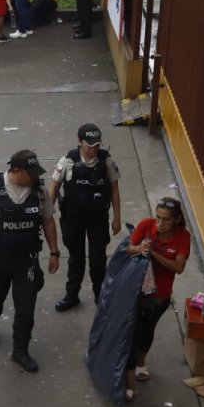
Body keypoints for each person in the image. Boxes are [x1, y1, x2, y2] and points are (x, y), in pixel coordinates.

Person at [0, 150, 61, 372]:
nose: (35, 177)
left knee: (26, 307)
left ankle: (20, 351)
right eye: (30, 173)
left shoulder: (39, 191)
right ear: (16, 171)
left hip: (27, 260)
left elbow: (48, 221)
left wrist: (54, 253)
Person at [123, 198, 191, 401]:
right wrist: (139, 248)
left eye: (166, 220)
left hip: (159, 296)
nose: (160, 223)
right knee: (133, 332)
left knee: (147, 330)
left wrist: (153, 252)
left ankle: (140, 362)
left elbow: (178, 267)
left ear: (176, 220)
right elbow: (128, 249)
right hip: (136, 291)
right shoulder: (146, 225)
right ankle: (129, 380)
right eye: (158, 217)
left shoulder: (183, 237)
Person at [50, 123, 123, 310]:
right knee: (76, 258)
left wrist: (117, 218)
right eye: (89, 145)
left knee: (98, 259)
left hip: (98, 218)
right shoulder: (67, 161)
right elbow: (54, 188)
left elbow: (114, 190)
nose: (93, 149)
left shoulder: (106, 161)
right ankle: (72, 295)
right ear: (79, 142)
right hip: (73, 218)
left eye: (97, 145)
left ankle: (101, 295)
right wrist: (47, 216)